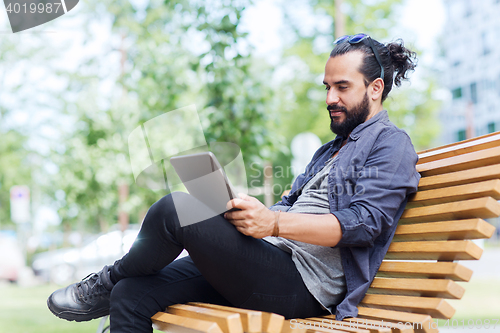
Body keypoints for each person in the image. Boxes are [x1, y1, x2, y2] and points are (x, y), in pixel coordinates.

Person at [47, 33, 421, 332]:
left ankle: (104, 282)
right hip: (269, 258)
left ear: (375, 88)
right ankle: (116, 285)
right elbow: (290, 203)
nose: (329, 98)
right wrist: (245, 213)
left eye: (342, 87)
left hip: (303, 285)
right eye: (326, 87)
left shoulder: (391, 145)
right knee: (132, 294)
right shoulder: (329, 150)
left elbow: (365, 224)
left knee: (176, 209)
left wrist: (273, 223)